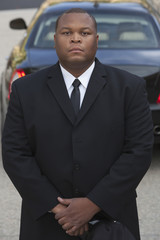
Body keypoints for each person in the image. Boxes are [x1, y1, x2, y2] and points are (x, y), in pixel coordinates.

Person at [2, 8, 153, 240]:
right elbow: (14, 153)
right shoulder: (26, 89)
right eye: (66, 32)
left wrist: (93, 204)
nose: (75, 38)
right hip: (47, 221)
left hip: (111, 220)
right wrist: (58, 208)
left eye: (84, 32)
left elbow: (139, 152)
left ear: (96, 39)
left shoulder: (129, 88)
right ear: (55, 40)